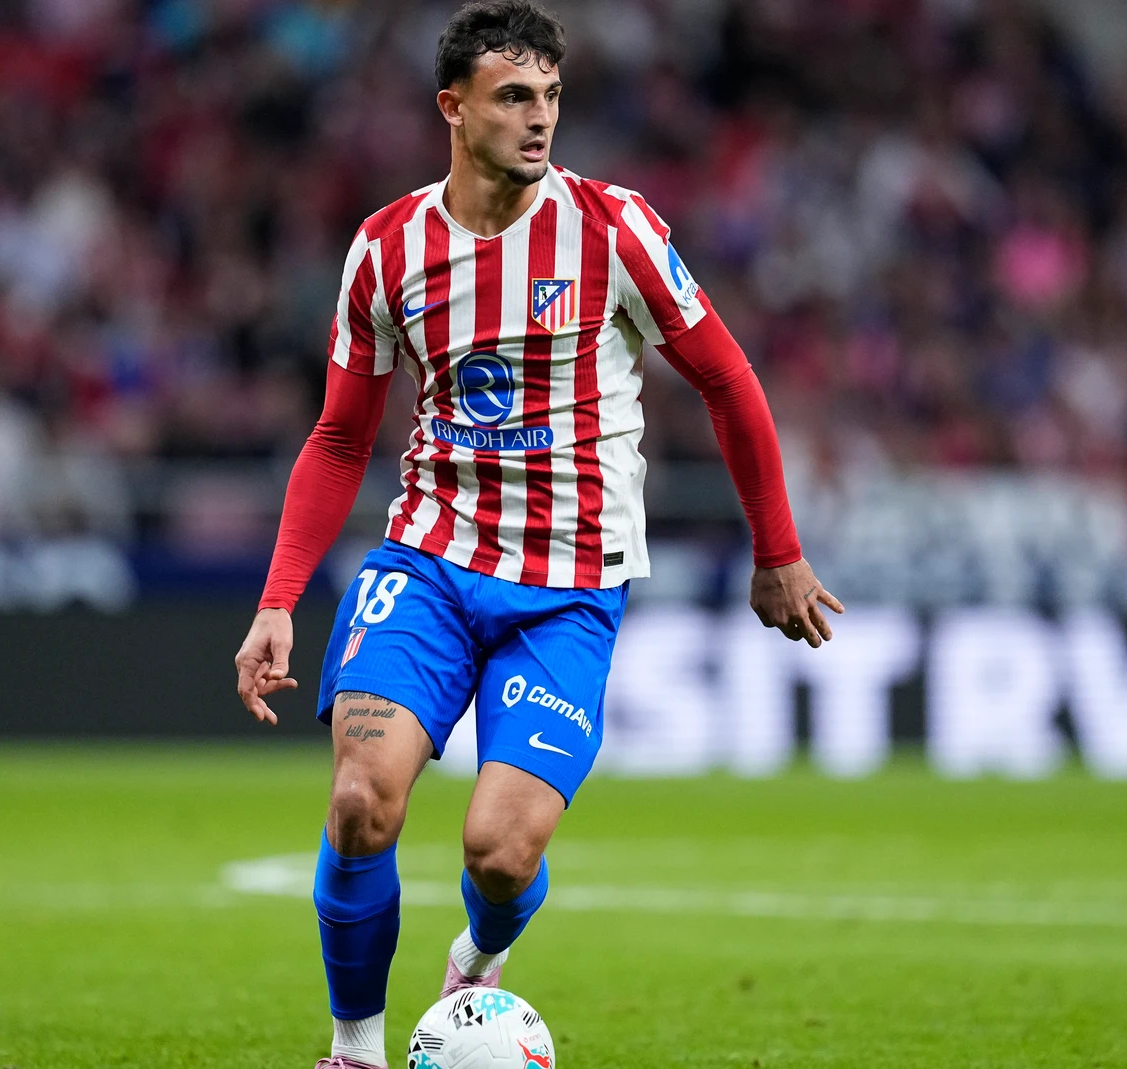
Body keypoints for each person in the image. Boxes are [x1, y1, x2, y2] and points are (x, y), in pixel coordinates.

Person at [231, 4, 843, 1065]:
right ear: (453, 107)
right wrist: (278, 598)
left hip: (567, 587)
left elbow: (729, 384)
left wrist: (777, 548)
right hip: (425, 562)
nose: (539, 117)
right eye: (514, 95)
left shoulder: (614, 230)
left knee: (501, 851)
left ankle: (474, 961)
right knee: (359, 800)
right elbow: (338, 438)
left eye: (551, 95)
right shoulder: (385, 249)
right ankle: (355, 1046)